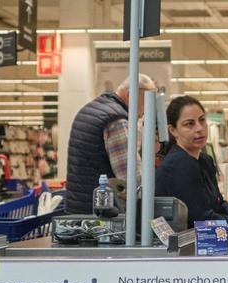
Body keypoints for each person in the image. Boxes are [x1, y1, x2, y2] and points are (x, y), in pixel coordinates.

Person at [65, 75, 158, 215]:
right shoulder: (117, 121)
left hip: (79, 209)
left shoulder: (92, 108)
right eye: (145, 104)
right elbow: (132, 179)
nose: (144, 113)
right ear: (130, 95)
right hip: (100, 216)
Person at [155, 96, 228, 223]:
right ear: (173, 130)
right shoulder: (179, 164)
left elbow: (219, 203)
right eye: (189, 124)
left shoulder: (205, 160)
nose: (199, 128)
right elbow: (202, 218)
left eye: (202, 120)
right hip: (186, 239)